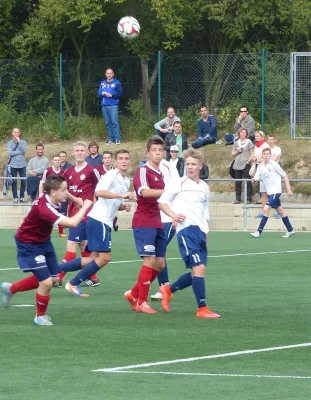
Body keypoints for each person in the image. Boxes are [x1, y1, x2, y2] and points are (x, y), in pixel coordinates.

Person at [0, 175, 92, 325]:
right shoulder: (44, 208)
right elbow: (73, 223)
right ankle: (40, 316)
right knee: (47, 282)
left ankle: (11, 289)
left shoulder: (52, 194)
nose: (66, 192)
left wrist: (74, 199)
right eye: (63, 190)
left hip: (43, 241)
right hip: (29, 244)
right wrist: (86, 205)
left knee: (54, 279)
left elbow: (64, 193)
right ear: (54, 192)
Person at [60, 150, 135, 297]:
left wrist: (122, 205)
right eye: (120, 159)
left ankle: (55, 269)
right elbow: (99, 192)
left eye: (126, 158)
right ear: (115, 162)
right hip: (99, 220)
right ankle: (73, 283)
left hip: (101, 221)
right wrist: (122, 195)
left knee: (92, 259)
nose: (124, 161)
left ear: (130, 161)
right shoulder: (111, 175)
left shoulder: (125, 180)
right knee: (105, 258)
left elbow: (113, 201)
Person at [158, 148, 221, 319]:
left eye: (193, 164)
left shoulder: (204, 187)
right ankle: (202, 308)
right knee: (198, 268)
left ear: (200, 166)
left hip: (200, 231)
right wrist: (173, 215)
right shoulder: (178, 183)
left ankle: (168, 290)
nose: (190, 167)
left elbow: (204, 211)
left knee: (197, 272)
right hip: (186, 230)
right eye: (187, 164)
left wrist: (206, 232)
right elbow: (162, 202)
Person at [124, 136, 166, 314]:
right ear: (147, 153)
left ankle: (133, 294)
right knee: (149, 260)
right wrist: (166, 191)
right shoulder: (143, 170)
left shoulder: (161, 173)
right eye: (154, 151)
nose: (157, 153)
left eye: (160, 150)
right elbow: (143, 192)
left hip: (158, 220)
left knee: (160, 264)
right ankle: (142, 301)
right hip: (144, 221)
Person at [57, 141, 100, 288]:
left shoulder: (91, 171)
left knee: (71, 245)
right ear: (73, 153)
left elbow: (98, 190)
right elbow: (63, 190)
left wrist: (94, 205)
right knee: (83, 246)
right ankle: (93, 277)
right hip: (73, 214)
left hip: (84, 216)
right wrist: (72, 199)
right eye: (77, 150)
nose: (80, 152)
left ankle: (58, 276)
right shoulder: (67, 172)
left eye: (82, 150)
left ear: (87, 153)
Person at [250, 148, 295, 238]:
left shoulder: (274, 164)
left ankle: (258, 232)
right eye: (264, 154)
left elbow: (285, 176)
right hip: (270, 192)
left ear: (270, 155)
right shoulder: (261, 166)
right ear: (262, 155)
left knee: (265, 209)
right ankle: (290, 230)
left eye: (267, 154)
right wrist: (254, 179)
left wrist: (289, 189)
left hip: (276, 191)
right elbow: (257, 176)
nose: (266, 155)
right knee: (280, 211)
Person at [98, 68, 122, 145]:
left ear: (113, 74)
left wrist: (112, 95)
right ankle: (111, 139)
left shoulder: (117, 82)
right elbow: (98, 93)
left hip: (113, 105)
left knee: (114, 122)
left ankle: (117, 139)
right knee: (108, 123)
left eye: (110, 73)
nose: (109, 75)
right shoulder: (102, 83)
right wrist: (102, 93)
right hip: (104, 105)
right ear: (105, 74)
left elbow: (120, 93)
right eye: (107, 73)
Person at [231, 128, 254, 204]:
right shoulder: (236, 142)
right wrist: (237, 151)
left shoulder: (249, 142)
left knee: (247, 181)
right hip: (237, 164)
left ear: (246, 134)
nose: (243, 134)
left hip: (246, 164)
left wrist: (248, 161)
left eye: (245, 133)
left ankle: (249, 198)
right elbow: (232, 154)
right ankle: (238, 198)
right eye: (242, 132)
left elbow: (252, 153)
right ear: (239, 133)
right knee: (238, 182)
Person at [6, 128, 27, 204]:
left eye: (17, 132)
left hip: (22, 165)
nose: (16, 134)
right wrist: (20, 152)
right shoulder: (9, 143)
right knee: (14, 181)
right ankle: (15, 197)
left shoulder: (23, 142)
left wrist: (19, 142)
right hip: (13, 165)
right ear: (12, 133)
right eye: (15, 132)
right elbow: (10, 153)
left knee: (24, 181)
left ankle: (22, 197)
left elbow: (24, 150)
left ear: (19, 133)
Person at [252, 131, 270, 213]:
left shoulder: (265, 144)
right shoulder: (256, 145)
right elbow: (255, 154)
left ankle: (265, 198)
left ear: (262, 137)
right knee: (259, 181)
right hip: (257, 164)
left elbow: (266, 153)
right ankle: (261, 197)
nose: (256, 138)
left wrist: (260, 157)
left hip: (263, 164)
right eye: (255, 136)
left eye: (258, 136)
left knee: (264, 181)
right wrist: (254, 157)